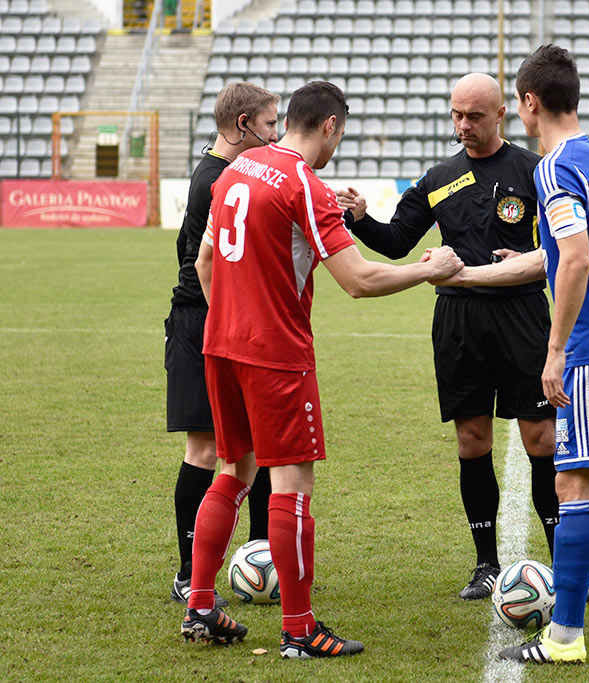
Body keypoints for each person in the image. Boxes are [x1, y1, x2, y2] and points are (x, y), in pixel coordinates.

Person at [178, 81, 463, 658]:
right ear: (330, 126)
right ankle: (300, 629)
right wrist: (428, 269)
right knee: (292, 485)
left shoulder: (240, 166)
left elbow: (205, 259)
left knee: (232, 469)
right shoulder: (305, 184)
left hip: (220, 344)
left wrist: (230, 319)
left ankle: (201, 606)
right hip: (275, 355)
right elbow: (358, 280)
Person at [432, 46, 589, 665]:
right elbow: (568, 249)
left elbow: (576, 258)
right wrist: (519, 264)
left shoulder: (553, 166)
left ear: (528, 102)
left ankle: (565, 635)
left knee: (574, 482)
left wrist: (556, 348)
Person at [337, 73, 589, 602]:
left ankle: (561, 566)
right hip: (458, 323)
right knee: (471, 441)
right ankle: (485, 564)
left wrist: (528, 264)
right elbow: (395, 241)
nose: (463, 127)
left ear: (501, 114)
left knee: (542, 440)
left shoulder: (536, 171)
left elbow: (564, 249)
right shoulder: (438, 177)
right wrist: (360, 220)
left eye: (474, 117)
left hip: (523, 317)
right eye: (456, 116)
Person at [165, 81, 278, 607]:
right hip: (201, 322)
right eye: (271, 123)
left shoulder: (226, 174)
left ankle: (263, 558)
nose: (275, 133)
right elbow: (207, 262)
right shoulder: (216, 180)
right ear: (243, 125)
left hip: (231, 322)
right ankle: (188, 571)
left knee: (253, 447)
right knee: (207, 448)